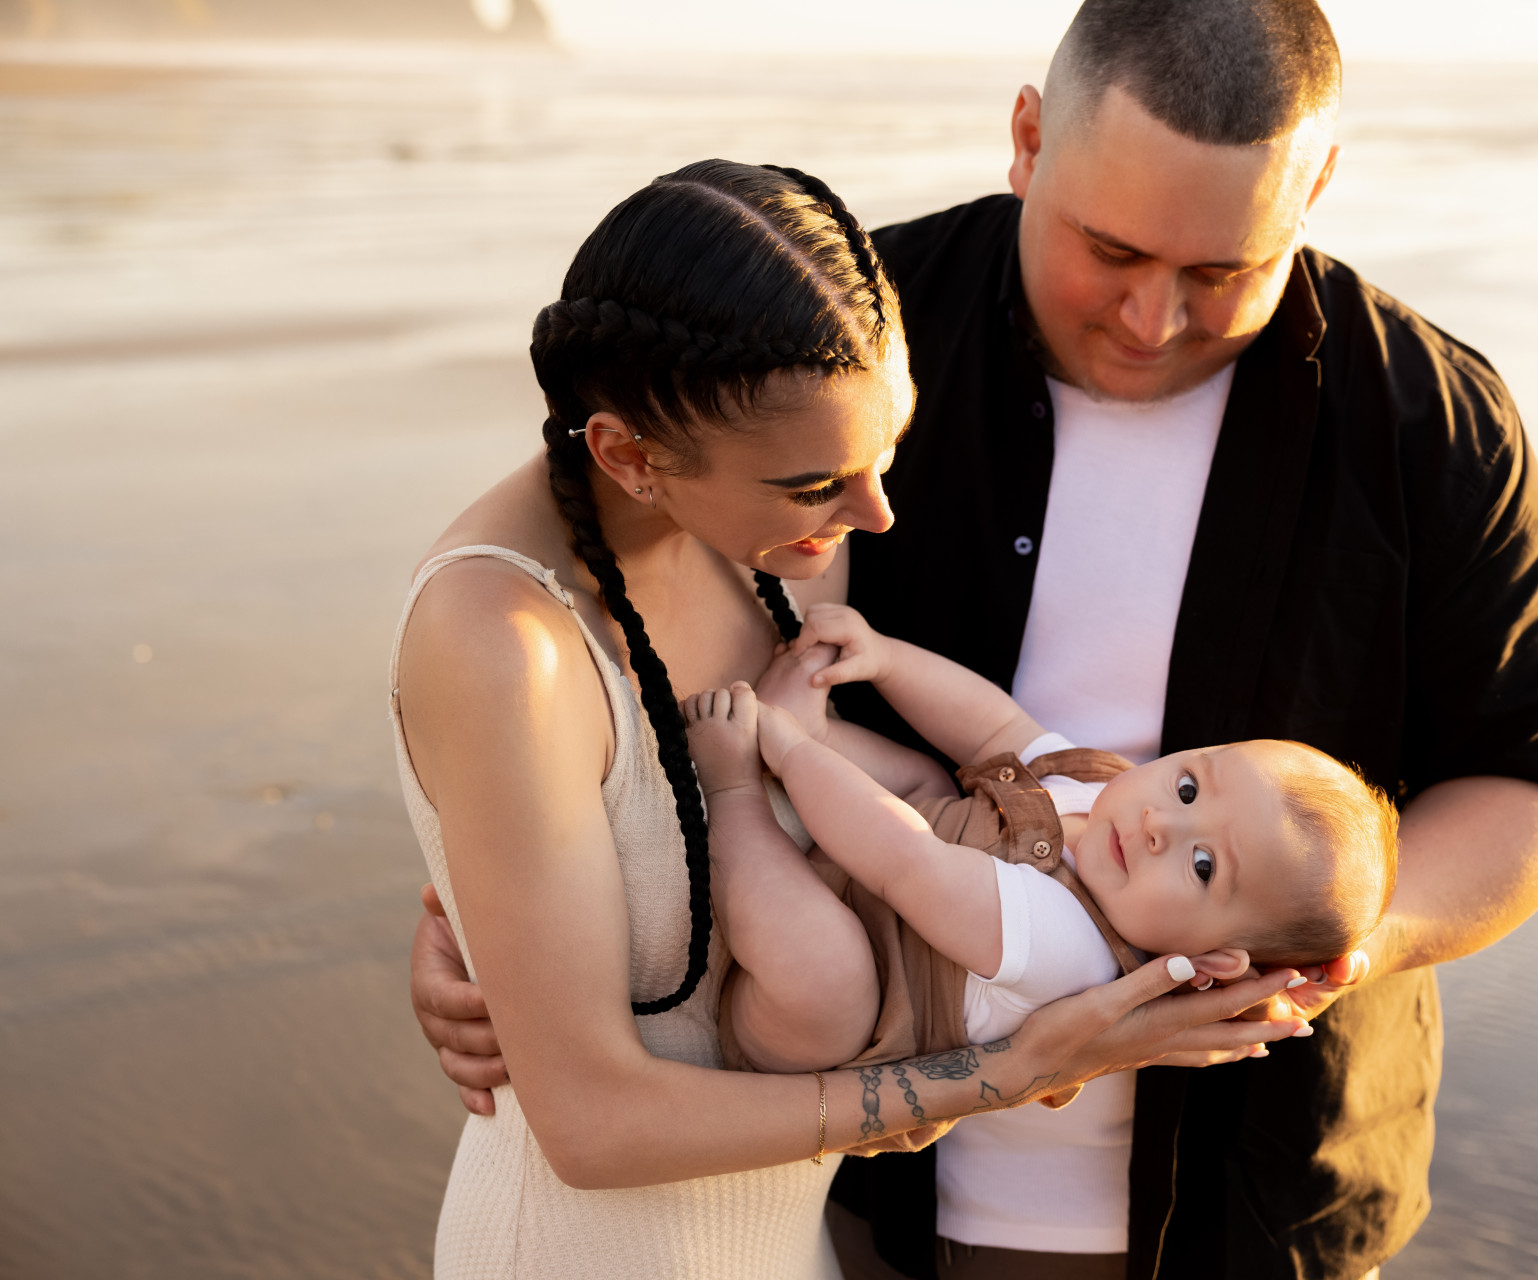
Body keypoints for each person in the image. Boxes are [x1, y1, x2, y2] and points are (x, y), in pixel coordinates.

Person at [414, 2, 1538, 1276]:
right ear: (1028, 138)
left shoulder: (1432, 419)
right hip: (871, 1191)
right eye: (1110, 250)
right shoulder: (851, 344)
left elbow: (1537, 777)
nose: (1153, 319)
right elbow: (597, 580)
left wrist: (1318, 949)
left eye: (1221, 272)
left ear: (1316, 185)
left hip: (1250, 1202)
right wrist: (481, 904)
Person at [390, 158, 1298, 1280]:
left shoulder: (772, 533)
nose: (875, 511)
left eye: (886, 451)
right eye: (821, 483)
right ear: (628, 454)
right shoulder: (502, 641)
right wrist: (1009, 1069)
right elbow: (593, 1126)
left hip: (785, 1243)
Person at [681, 603, 1399, 1080]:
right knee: (929, 773)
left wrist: (781, 750)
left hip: (826, 1010)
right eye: (1187, 789)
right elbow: (996, 728)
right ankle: (815, 731)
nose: (1160, 826)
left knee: (828, 972)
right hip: (867, 855)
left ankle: (735, 794)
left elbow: (903, 860)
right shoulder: (1103, 788)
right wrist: (885, 658)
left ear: (1210, 960)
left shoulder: (1076, 951)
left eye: (1203, 864)